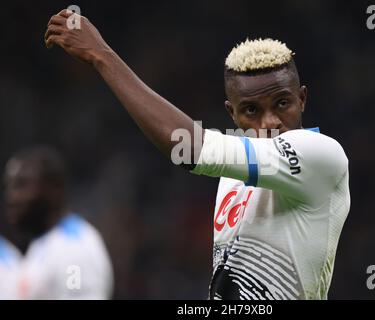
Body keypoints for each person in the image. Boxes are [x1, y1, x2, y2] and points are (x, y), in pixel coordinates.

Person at [44, 9, 350, 300]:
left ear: (302, 98)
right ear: (232, 114)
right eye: (251, 110)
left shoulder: (322, 156)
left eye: (282, 103)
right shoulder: (234, 180)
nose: (270, 121)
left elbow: (189, 147)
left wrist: (102, 56)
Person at [0, 146, 113, 299]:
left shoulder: (73, 248)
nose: (12, 197)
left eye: (22, 184)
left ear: (54, 189)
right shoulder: (43, 245)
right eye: (9, 186)